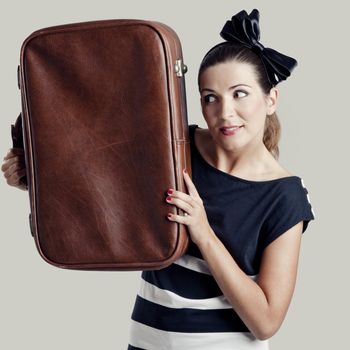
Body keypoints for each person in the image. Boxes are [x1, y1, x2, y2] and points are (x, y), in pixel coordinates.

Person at [2, 9, 315, 350]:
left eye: (240, 93)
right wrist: (33, 183)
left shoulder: (284, 195)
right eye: (210, 97)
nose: (225, 112)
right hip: (145, 343)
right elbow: (106, 188)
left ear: (271, 99)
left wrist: (203, 234)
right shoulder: (176, 146)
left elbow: (266, 321)